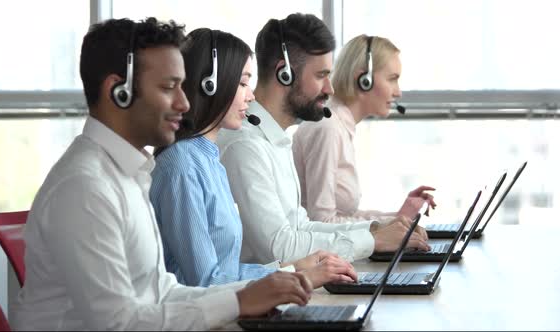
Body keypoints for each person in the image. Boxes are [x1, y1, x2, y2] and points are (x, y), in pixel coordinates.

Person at [11, 18, 314, 331]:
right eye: (169, 88)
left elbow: (162, 293)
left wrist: (256, 292)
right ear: (119, 91)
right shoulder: (85, 188)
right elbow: (119, 324)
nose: (184, 103)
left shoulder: (128, 174)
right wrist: (239, 302)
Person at [216, 14, 431, 266]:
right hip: (263, 296)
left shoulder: (275, 139)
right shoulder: (246, 146)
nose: (329, 88)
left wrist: (374, 229)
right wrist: (372, 242)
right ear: (284, 74)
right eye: (321, 75)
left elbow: (301, 226)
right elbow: (279, 249)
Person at [150, 28, 356, 289]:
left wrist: (294, 267)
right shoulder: (182, 166)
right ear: (211, 85)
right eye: (243, 83)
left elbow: (224, 271)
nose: (251, 95)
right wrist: (299, 276)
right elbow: (205, 282)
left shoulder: (209, 160)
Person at [292, 34, 437, 224]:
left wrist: (398, 218)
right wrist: (388, 226)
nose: (398, 92)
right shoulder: (328, 128)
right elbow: (322, 222)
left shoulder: (340, 126)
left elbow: (343, 218)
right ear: (363, 79)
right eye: (392, 79)